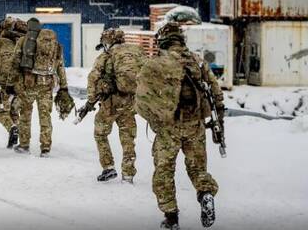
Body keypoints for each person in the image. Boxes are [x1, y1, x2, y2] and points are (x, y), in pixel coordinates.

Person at [139, 22, 225, 230]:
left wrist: (154, 118)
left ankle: (171, 217)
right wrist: (218, 121)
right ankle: (205, 193)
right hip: (195, 124)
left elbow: (142, 98)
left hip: (169, 127)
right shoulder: (197, 61)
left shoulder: (158, 63)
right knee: (197, 168)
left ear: (163, 41)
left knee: (164, 171)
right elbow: (215, 91)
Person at [86, 28, 143, 183]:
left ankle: (108, 167)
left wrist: (91, 100)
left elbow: (93, 78)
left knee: (100, 133)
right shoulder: (135, 53)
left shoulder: (106, 56)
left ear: (107, 42)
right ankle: (128, 173)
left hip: (110, 103)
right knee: (128, 138)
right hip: (130, 102)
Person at [13, 18, 69, 156]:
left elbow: (15, 63)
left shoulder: (24, 41)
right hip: (47, 84)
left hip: (29, 84)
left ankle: (24, 144)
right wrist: (64, 86)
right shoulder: (55, 44)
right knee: (45, 116)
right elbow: (60, 66)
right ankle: (45, 147)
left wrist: (12, 83)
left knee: (25, 114)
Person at [0, 17, 25, 148]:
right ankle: (17, 130)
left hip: (4, 83)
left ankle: (12, 128)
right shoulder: (23, 42)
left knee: (1, 112)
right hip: (20, 82)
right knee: (14, 111)